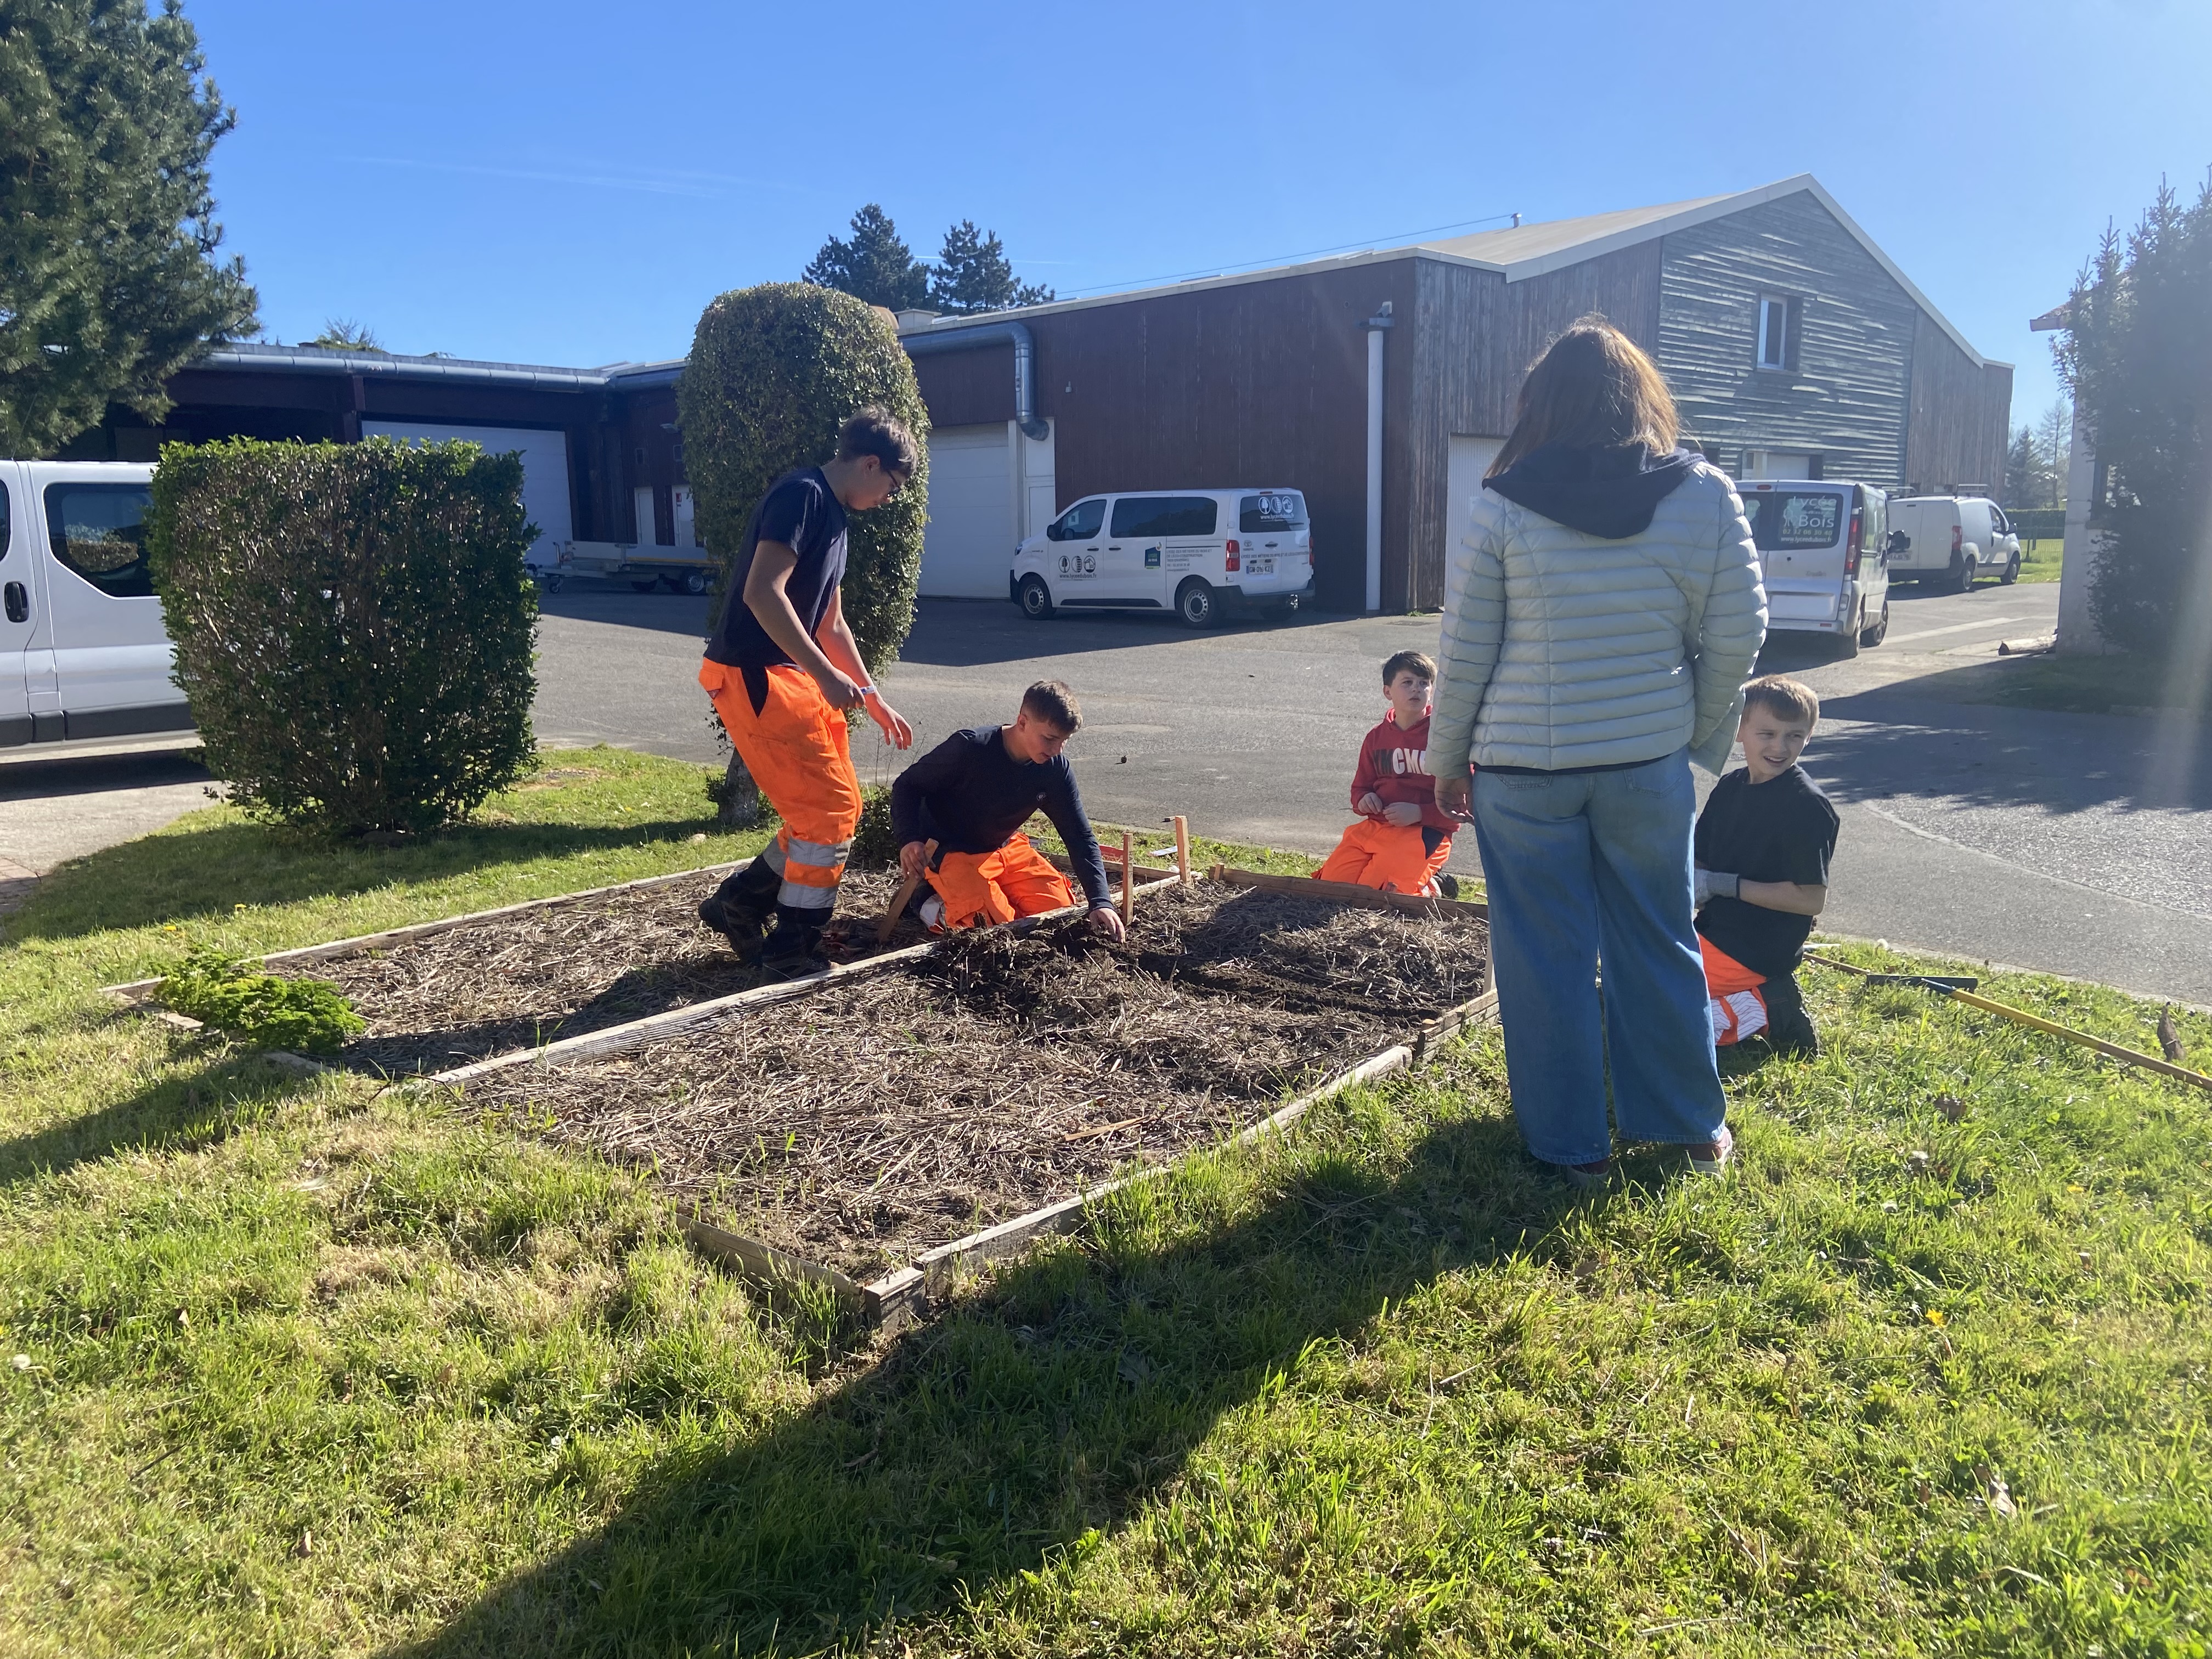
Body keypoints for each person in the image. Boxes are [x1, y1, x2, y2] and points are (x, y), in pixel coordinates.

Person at [1430, 317, 1767, 1184]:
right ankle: (1692, 1129)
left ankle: (1570, 1151)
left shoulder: (1504, 498)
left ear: (1545, 403)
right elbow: (1740, 632)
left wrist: (1444, 758)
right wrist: (1696, 731)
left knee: (1544, 960)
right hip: (1645, 765)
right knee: (1660, 940)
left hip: (1521, 771)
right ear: (1640, 395)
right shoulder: (1706, 492)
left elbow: (1466, 645)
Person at [696, 408, 918, 979]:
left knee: (824, 810)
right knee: (830, 811)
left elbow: (831, 624)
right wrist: (823, 675)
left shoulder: (834, 517)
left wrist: (870, 693)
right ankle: (793, 946)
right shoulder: (803, 496)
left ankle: (741, 903)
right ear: (871, 464)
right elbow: (762, 593)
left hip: (783, 677)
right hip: (758, 675)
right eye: (892, 486)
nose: (890, 499)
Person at [890, 681, 1126, 939]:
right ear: (1022, 722)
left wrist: (1101, 901)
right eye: (1049, 739)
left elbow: (1080, 837)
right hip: (950, 852)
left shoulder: (1054, 769)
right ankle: (924, 900)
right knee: (992, 929)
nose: (1057, 750)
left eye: (1064, 741)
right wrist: (909, 838)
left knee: (1057, 914)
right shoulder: (971, 748)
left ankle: (966, 893)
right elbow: (907, 785)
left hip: (1004, 847)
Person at [1694, 675, 1837, 1057]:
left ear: (1809, 736)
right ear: (1740, 729)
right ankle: (1742, 997)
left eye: (1795, 735)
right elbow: (1700, 853)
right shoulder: (1730, 786)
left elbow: (1810, 900)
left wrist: (1723, 885)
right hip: (1714, 930)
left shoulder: (1808, 806)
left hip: (1756, 947)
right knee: (1630, 982)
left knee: (1657, 1011)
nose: (1780, 747)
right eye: (1767, 733)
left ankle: (1767, 1007)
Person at [1314, 650, 1468, 898]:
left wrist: (1420, 812)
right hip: (1376, 827)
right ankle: (1420, 875)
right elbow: (1360, 789)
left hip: (1425, 831)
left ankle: (1436, 884)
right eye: (1407, 683)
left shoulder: (1444, 738)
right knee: (1330, 888)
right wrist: (1364, 800)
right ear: (1388, 692)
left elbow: (1461, 802)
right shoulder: (1376, 737)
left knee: (1381, 893)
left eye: (1424, 683)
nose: (1416, 689)